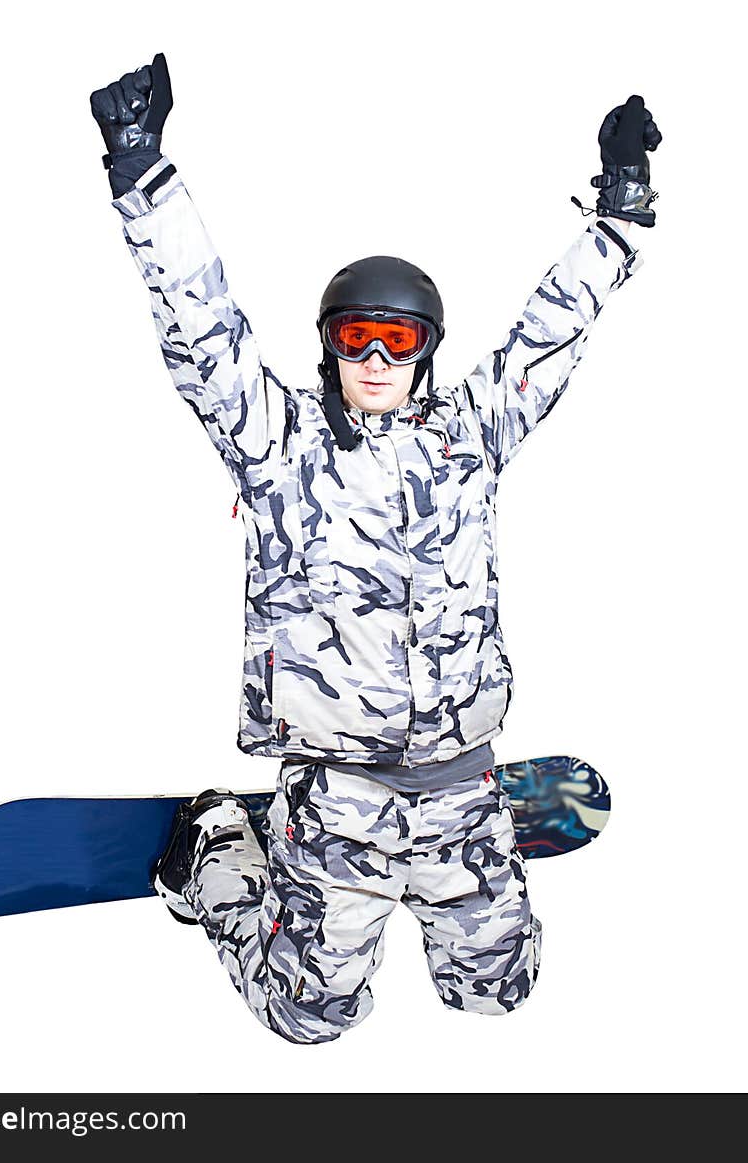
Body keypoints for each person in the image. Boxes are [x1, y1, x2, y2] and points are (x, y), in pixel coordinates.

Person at [90, 54, 661, 1044]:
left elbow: (545, 339)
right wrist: (143, 172)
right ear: (331, 346)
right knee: (308, 1017)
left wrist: (619, 214)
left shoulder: (468, 437)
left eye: (398, 341)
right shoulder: (277, 442)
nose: (376, 361)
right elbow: (203, 327)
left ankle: (477, 852)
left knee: (498, 992)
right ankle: (220, 854)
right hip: (336, 802)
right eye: (358, 338)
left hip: (458, 783)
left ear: (427, 350)